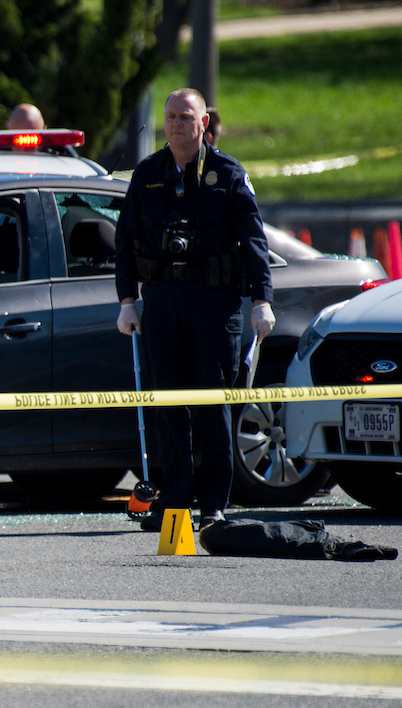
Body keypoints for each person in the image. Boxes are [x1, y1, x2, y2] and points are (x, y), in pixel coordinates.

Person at [114, 88, 275, 532]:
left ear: (203, 123)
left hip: (213, 301)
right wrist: (127, 301)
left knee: (212, 405)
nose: (176, 124)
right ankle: (175, 499)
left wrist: (262, 300)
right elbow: (125, 241)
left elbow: (254, 240)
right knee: (169, 406)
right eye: (170, 117)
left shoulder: (227, 173)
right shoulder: (147, 174)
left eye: (186, 117)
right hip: (163, 301)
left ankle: (213, 504)